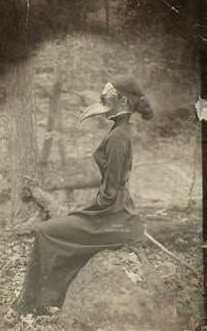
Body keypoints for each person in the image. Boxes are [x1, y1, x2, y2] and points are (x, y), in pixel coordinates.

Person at [16, 75, 154, 315]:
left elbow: (109, 196)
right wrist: (84, 211)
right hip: (118, 216)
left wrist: (83, 212)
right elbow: (111, 192)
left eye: (106, 97)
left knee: (45, 231)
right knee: (61, 227)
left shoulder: (118, 137)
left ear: (121, 101)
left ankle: (33, 303)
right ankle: (46, 299)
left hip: (114, 220)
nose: (101, 102)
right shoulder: (121, 130)